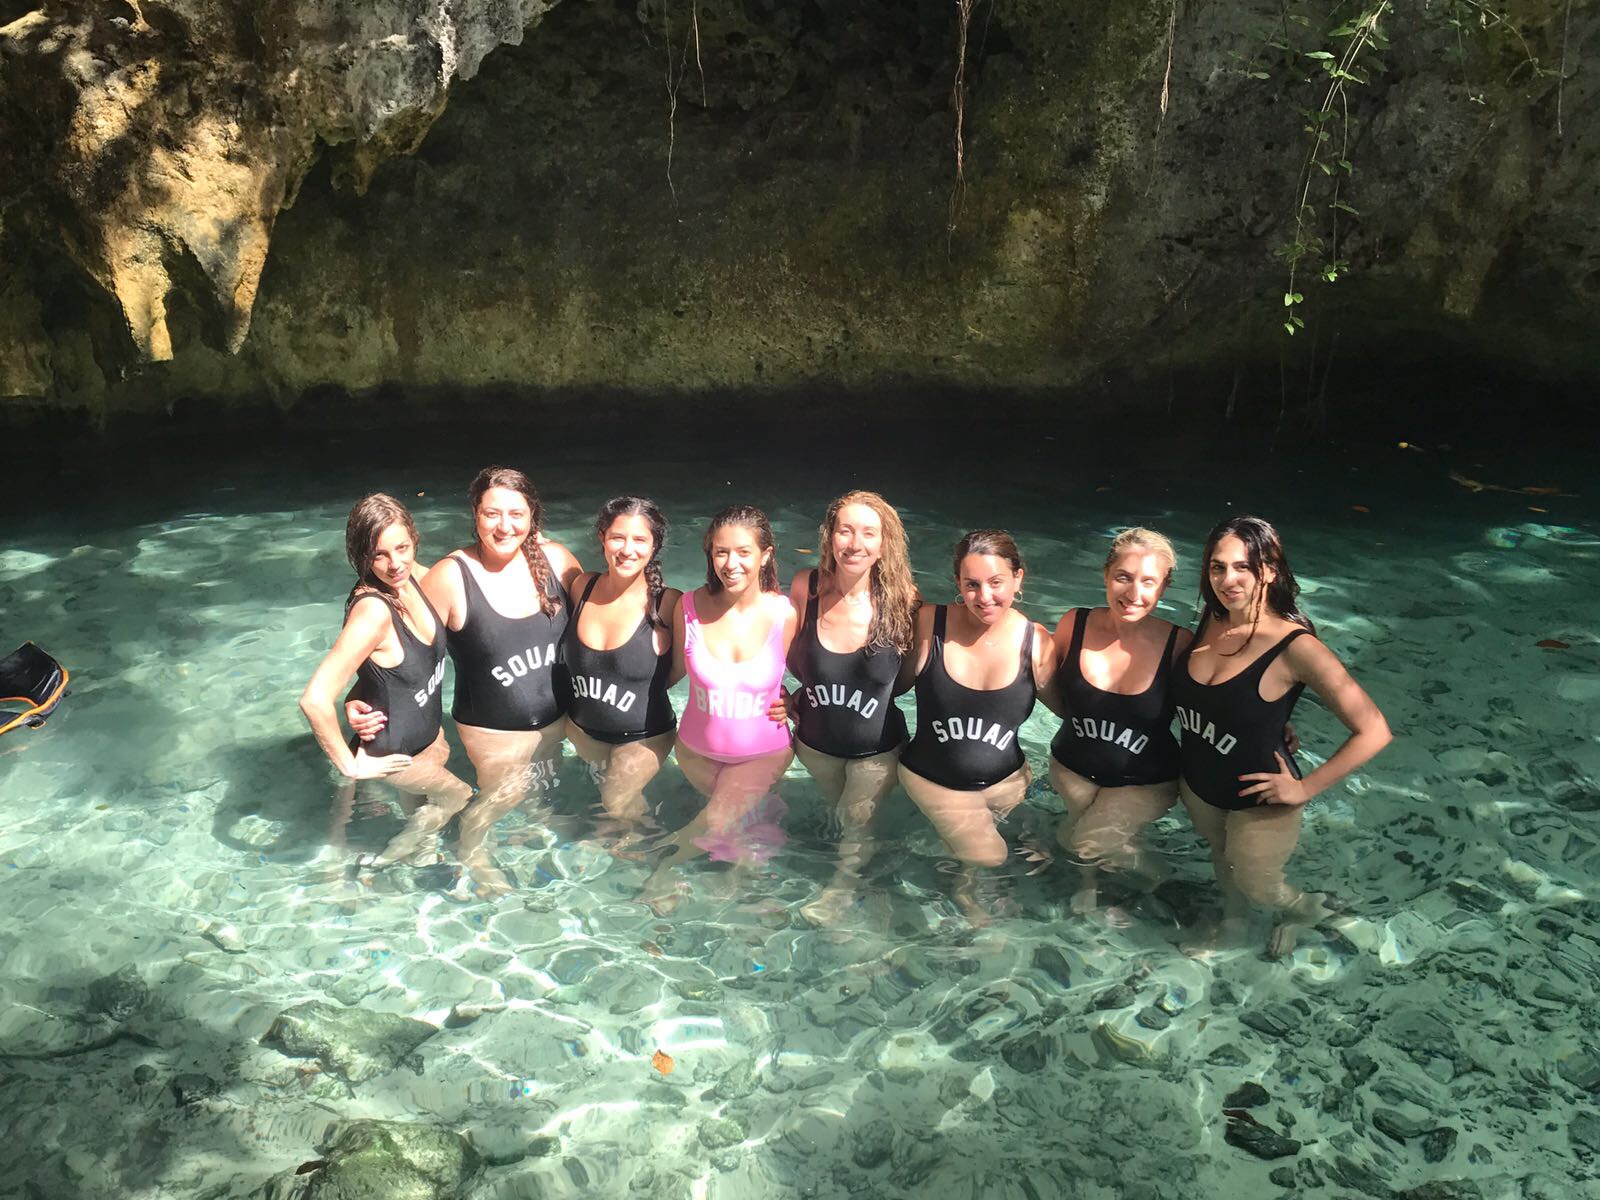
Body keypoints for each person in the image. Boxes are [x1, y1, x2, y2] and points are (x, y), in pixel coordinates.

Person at [349, 467, 582, 894]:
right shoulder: (451, 577)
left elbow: (596, 623)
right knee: (496, 804)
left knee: (539, 797)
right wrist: (357, 695)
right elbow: (408, 653)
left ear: (533, 515)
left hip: (557, 722)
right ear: (475, 514)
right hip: (493, 732)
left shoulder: (557, 561)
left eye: (516, 514)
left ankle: (530, 834)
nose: (504, 526)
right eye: (492, 513)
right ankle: (469, 851)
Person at [1172, 514, 1391, 956]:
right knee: (1222, 857)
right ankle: (1232, 925)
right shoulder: (1214, 618)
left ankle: (1309, 909)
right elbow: (1232, 697)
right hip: (1199, 783)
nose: (1227, 580)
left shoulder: (1297, 646)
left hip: (1262, 797)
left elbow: (1374, 730)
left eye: (1243, 567)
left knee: (1260, 883)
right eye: (1217, 567)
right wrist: (1268, 720)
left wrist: (1305, 788)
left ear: (1269, 570)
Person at [300, 494, 474, 867]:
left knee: (424, 830)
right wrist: (349, 766)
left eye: (402, 547)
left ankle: (417, 868)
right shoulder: (372, 613)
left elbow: (389, 672)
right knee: (459, 796)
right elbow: (314, 699)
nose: (395, 564)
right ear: (361, 556)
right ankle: (387, 857)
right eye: (379, 555)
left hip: (426, 739)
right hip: (393, 756)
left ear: (414, 539)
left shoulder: (414, 579)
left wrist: (356, 695)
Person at [639, 505, 797, 912]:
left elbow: (817, 674)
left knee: (717, 820)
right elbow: (674, 670)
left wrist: (797, 703)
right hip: (696, 754)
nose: (731, 563)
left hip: (763, 753)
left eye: (744, 552)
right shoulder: (688, 606)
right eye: (721, 552)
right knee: (740, 831)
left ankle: (664, 866)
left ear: (766, 554)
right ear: (710, 554)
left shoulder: (784, 613)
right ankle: (741, 883)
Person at [898, 529, 1056, 922]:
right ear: (958, 584)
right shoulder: (928, 623)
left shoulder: (1036, 642)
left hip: (1008, 783)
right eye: (972, 585)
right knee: (990, 855)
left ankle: (961, 882)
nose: (984, 596)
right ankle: (964, 889)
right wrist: (796, 699)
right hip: (933, 777)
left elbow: (1079, 711)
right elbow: (883, 682)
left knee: (1007, 855)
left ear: (1018, 579)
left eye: (996, 582)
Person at [782, 490, 919, 926]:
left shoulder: (904, 599)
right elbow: (781, 654)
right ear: (829, 536)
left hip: (876, 749)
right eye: (845, 531)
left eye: (868, 533)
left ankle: (839, 892)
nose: (855, 543)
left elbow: (910, 675)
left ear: (884, 544)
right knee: (843, 820)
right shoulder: (805, 587)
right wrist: (779, 695)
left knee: (855, 820)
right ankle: (872, 871)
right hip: (815, 747)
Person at [1048, 528, 1189, 915]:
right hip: (1071, 767)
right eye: (1123, 577)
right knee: (1079, 838)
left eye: (1148, 582)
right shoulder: (1074, 623)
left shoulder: (1180, 645)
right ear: (1106, 574)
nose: (1134, 593)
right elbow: (1039, 678)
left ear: (1164, 586)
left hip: (1144, 781)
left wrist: (1276, 727)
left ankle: (1160, 874)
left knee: (1081, 843)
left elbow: (1218, 700)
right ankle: (1090, 886)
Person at [561, 497, 680, 843]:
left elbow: (688, 667)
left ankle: (664, 858)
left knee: (615, 803)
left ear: (654, 546)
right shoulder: (581, 587)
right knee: (612, 820)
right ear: (602, 537)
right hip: (583, 733)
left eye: (640, 540)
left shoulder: (668, 603)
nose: (627, 549)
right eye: (617, 537)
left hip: (644, 735)